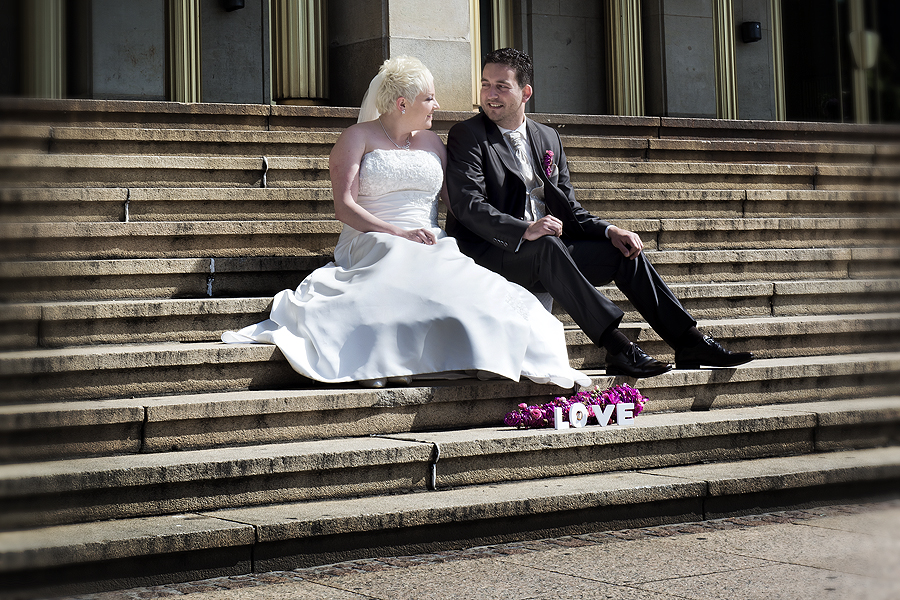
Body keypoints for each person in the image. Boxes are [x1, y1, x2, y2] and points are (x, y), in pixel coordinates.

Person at [223, 56, 590, 390]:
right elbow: (345, 207)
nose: (437, 105)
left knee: (479, 292)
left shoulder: (432, 142)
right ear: (403, 103)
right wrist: (397, 233)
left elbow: (460, 203)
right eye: (429, 98)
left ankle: (487, 352)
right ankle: (379, 359)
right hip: (370, 237)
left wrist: (516, 228)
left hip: (429, 239)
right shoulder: (356, 138)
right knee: (398, 265)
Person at [445, 48, 753, 378]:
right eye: (485, 84)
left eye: (501, 86)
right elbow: (468, 204)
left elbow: (569, 209)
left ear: (526, 92)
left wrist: (609, 231)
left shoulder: (547, 137)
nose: (490, 95)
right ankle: (618, 347)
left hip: (548, 253)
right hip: (494, 252)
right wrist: (524, 229)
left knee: (623, 252)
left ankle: (689, 340)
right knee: (547, 246)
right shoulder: (469, 134)